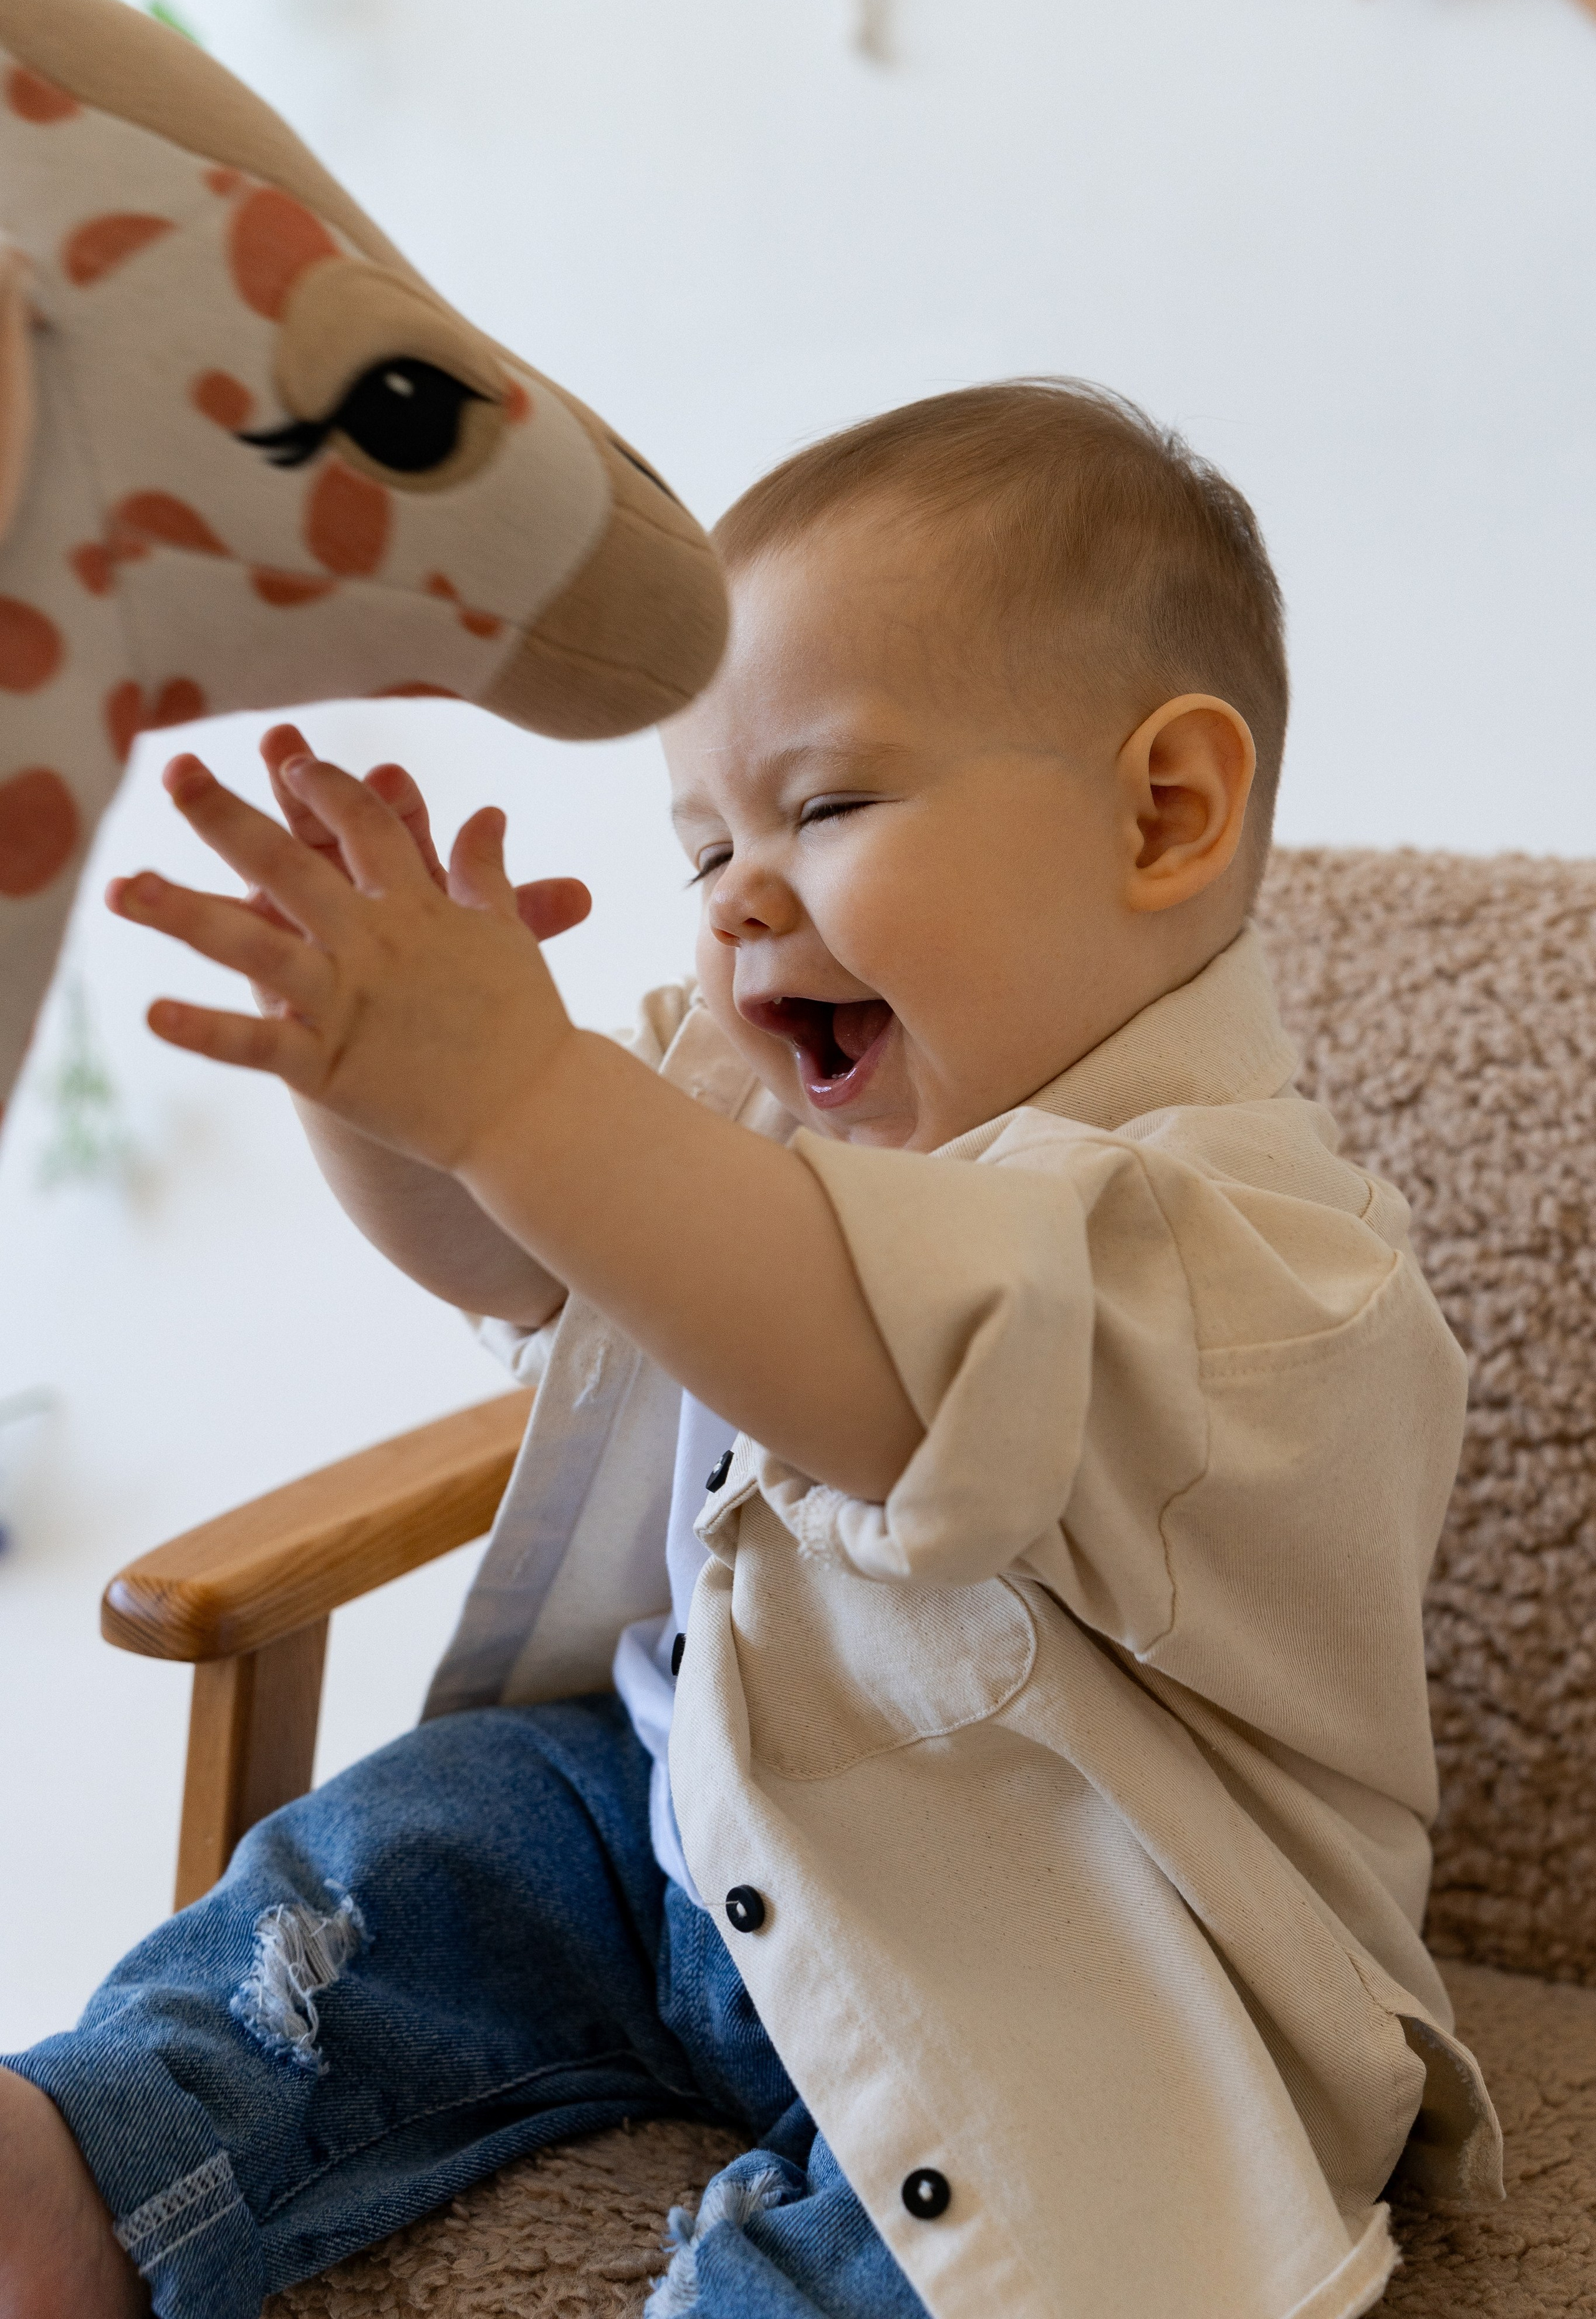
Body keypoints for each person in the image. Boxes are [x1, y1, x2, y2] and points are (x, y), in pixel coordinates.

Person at [0, 381, 1500, 2319]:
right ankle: (90, 2156)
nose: (738, 902)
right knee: (419, 1839)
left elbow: (880, 1362)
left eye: (827, 804)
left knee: (979, 2265)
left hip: (1085, 1980)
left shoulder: (1242, 1260)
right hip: (689, 1828)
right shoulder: (763, 1114)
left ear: (1164, 811)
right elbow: (533, 1258)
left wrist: (521, 1089)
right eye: (701, 845)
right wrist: (382, 1087)